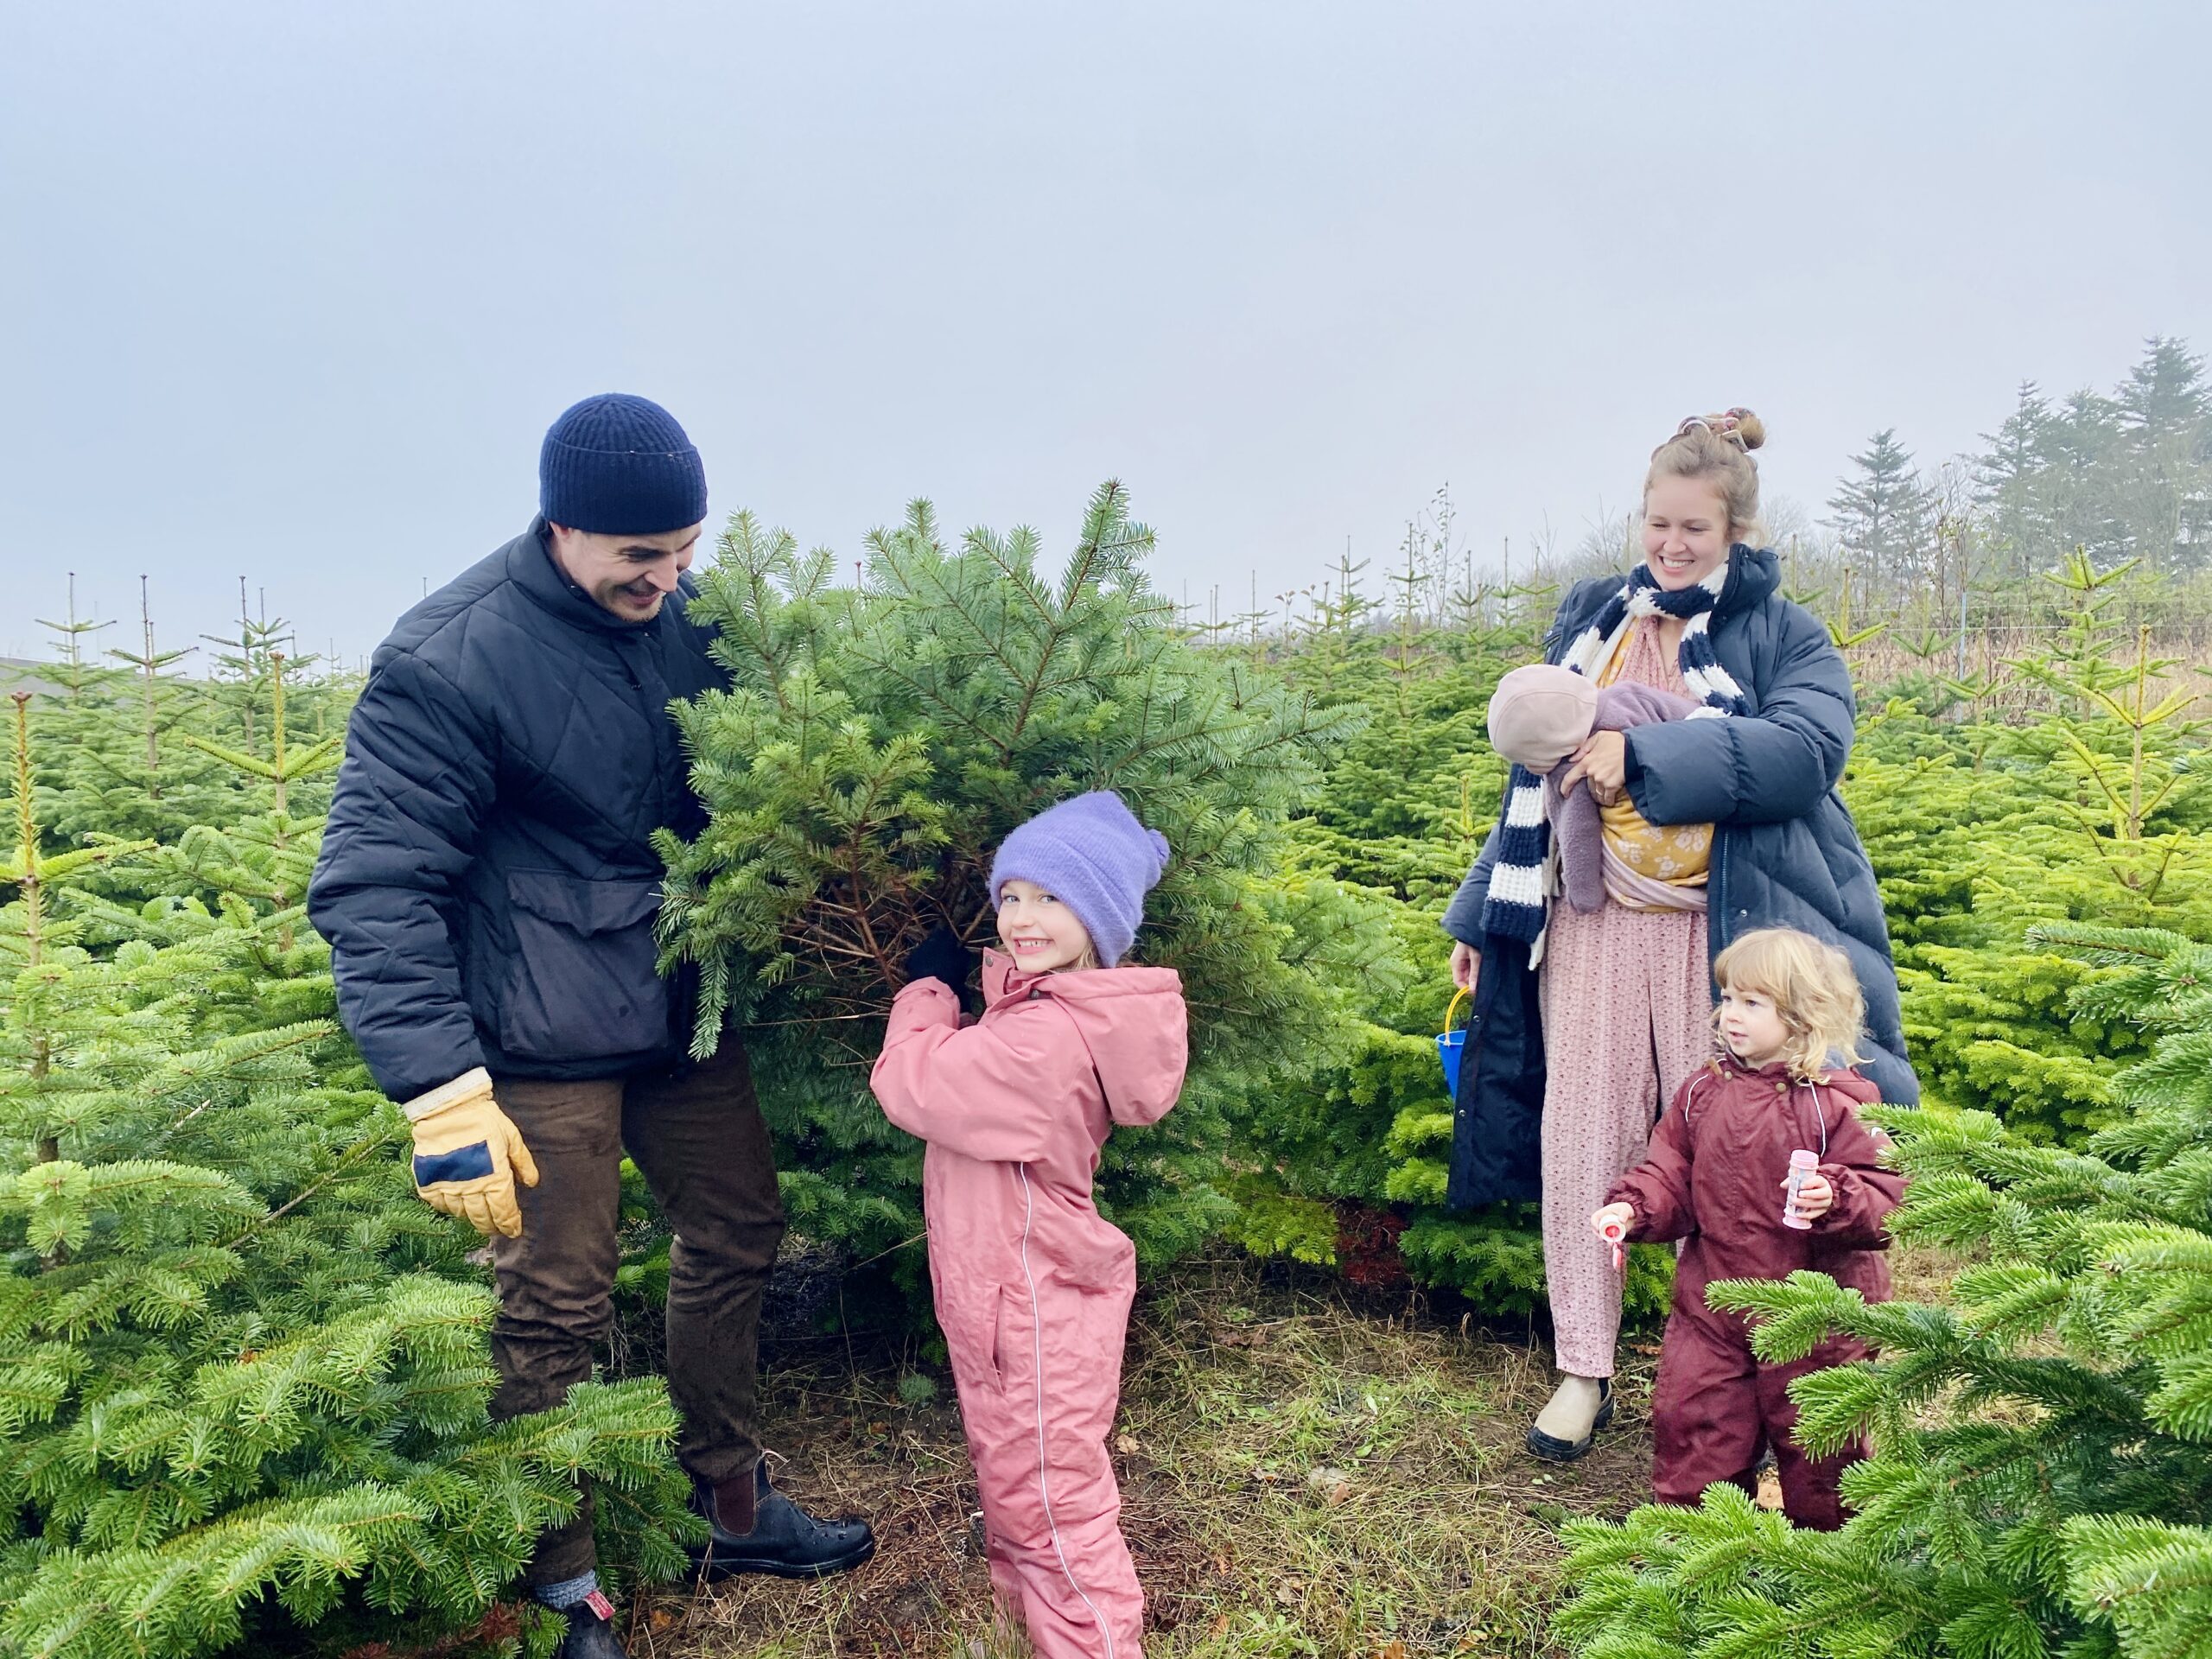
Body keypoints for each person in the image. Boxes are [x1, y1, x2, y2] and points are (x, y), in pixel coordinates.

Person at [308, 394, 873, 1659]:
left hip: (680, 1011)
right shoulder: (450, 656)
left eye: (685, 553)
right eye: (639, 560)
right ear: (563, 528)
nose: (667, 583)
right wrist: (439, 1088)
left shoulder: (695, 624)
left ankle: (727, 1496)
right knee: (552, 1302)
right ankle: (565, 1587)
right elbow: (375, 883)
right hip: (532, 1033)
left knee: (739, 1225)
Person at [1440, 408, 1918, 1463]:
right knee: (1583, 1149)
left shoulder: (1780, 634)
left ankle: (1759, 1366)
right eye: (1657, 523)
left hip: (1723, 934)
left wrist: (1643, 761)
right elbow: (1532, 774)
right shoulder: (1593, 621)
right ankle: (1582, 1369)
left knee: (1746, 1154)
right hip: (1591, 928)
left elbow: (1801, 754)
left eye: (1694, 528)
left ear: (1737, 531)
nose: (1671, 544)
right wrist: (1481, 913)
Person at [870, 791, 1188, 1659]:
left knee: (1053, 1507)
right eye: (1009, 896)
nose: (1021, 917)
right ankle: (1029, 1635)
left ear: (1100, 915)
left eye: (1050, 897)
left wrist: (925, 992)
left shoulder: (1046, 1041)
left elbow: (913, 1083)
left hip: (1033, 1306)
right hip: (1005, 1297)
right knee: (1015, 1486)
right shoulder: (1045, 1013)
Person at [1590, 927, 1903, 1529]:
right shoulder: (1703, 1092)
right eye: (1728, 998)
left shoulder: (1840, 1101)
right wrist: (1633, 1207)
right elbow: (1671, 1170)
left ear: (1802, 1014)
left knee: (1822, 1445)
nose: (1731, 1016)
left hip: (1817, 1316)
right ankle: (1694, 1546)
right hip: (1714, 1305)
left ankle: (1835, 1560)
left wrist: (1835, 1196)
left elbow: (1890, 1196)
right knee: (1696, 1423)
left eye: (1752, 1004)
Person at [1485, 662, 1698, 916]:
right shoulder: (1628, 696)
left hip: (1644, 876)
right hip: (1704, 839)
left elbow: (1577, 836)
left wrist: (1584, 895)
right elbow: (1697, 718)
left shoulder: (1568, 771)